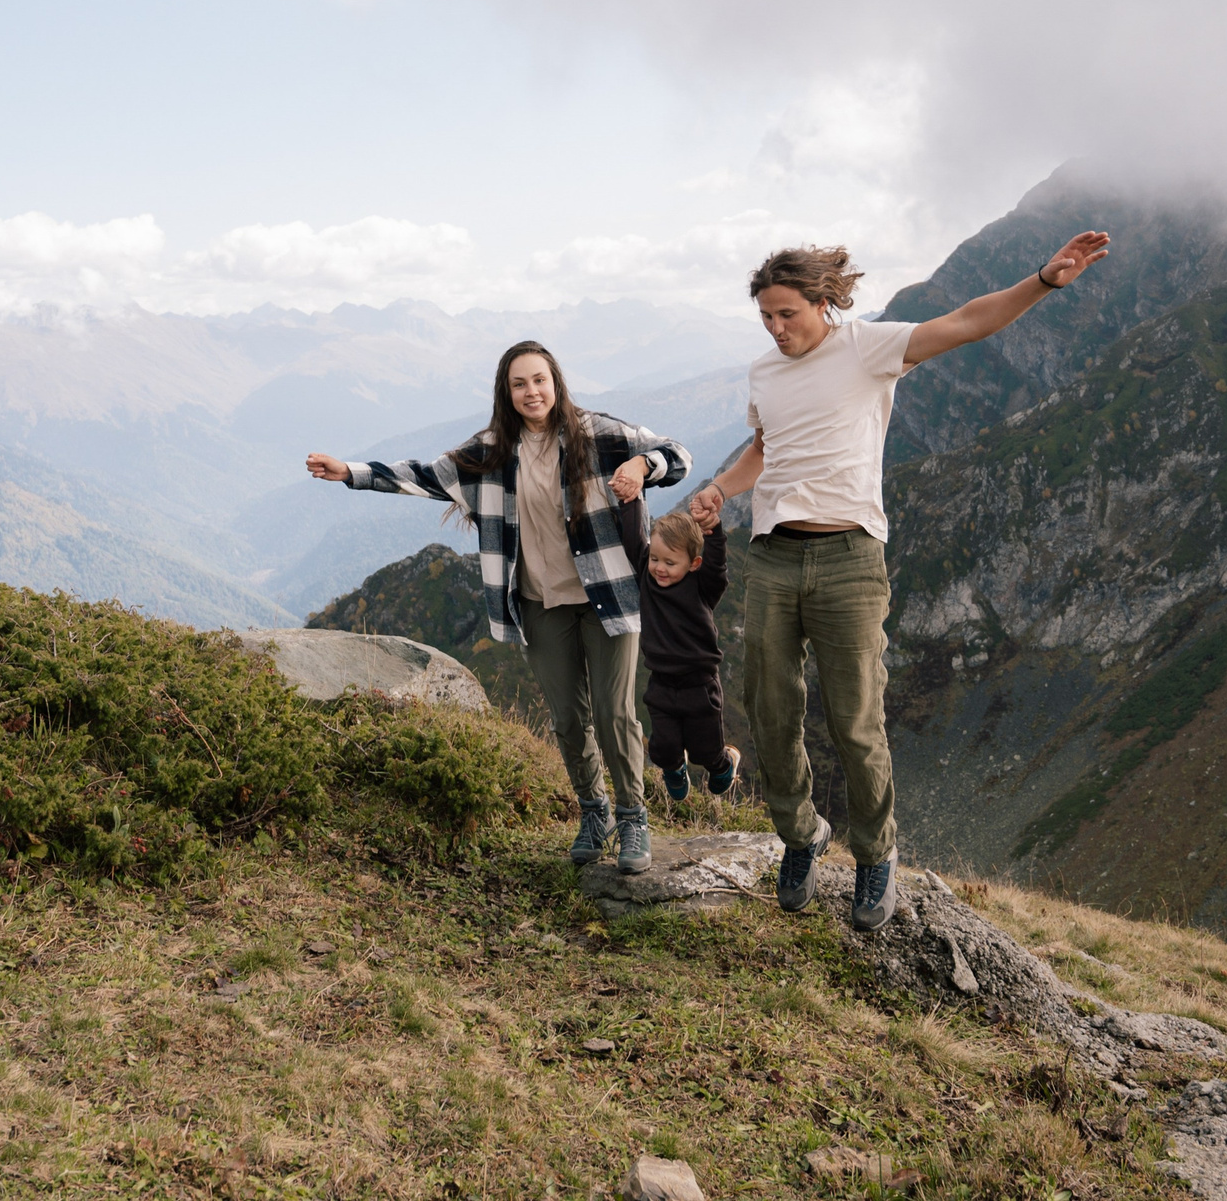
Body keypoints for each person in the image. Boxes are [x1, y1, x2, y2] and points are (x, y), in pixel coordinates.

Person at [689, 232, 1110, 928]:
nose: (776, 327)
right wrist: (721, 488)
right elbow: (765, 447)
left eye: (787, 313)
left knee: (856, 720)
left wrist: (1044, 279)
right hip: (772, 554)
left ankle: (875, 854)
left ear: (823, 303)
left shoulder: (867, 347)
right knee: (769, 709)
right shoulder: (765, 371)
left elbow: (969, 322)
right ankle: (801, 833)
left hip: (850, 557)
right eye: (765, 317)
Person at [306, 340, 689, 874]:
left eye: (539, 380)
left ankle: (632, 818)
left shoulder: (600, 435)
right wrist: (349, 470)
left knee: (613, 711)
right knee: (568, 719)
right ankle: (594, 811)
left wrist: (644, 464)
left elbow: (678, 456)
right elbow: (421, 475)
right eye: (519, 384)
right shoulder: (488, 452)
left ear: (555, 382)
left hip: (608, 598)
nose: (532, 392)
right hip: (539, 603)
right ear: (505, 393)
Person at [628, 503, 738, 803]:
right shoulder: (648, 580)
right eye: (654, 559)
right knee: (662, 747)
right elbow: (632, 539)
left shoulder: (703, 587)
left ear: (693, 563)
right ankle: (674, 768)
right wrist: (628, 500)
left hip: (699, 685)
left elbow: (716, 566)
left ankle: (722, 763)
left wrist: (712, 530)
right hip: (661, 682)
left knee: (705, 749)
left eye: (670, 562)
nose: (659, 568)